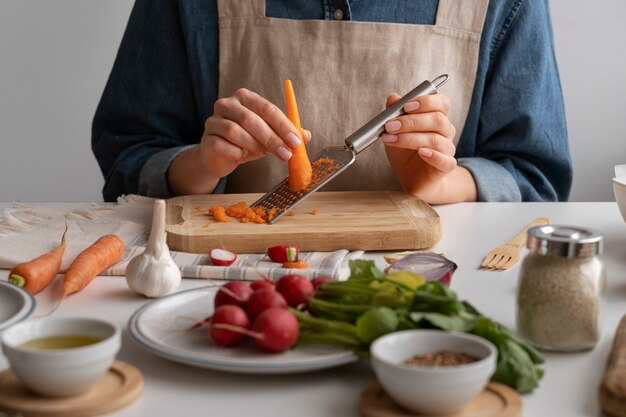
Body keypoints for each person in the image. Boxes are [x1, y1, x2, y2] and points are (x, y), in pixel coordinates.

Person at [92, 0, 572, 204]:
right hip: (223, 287)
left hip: (435, 287)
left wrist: (441, 185)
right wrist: (199, 166)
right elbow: (126, 164)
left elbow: (536, 178)